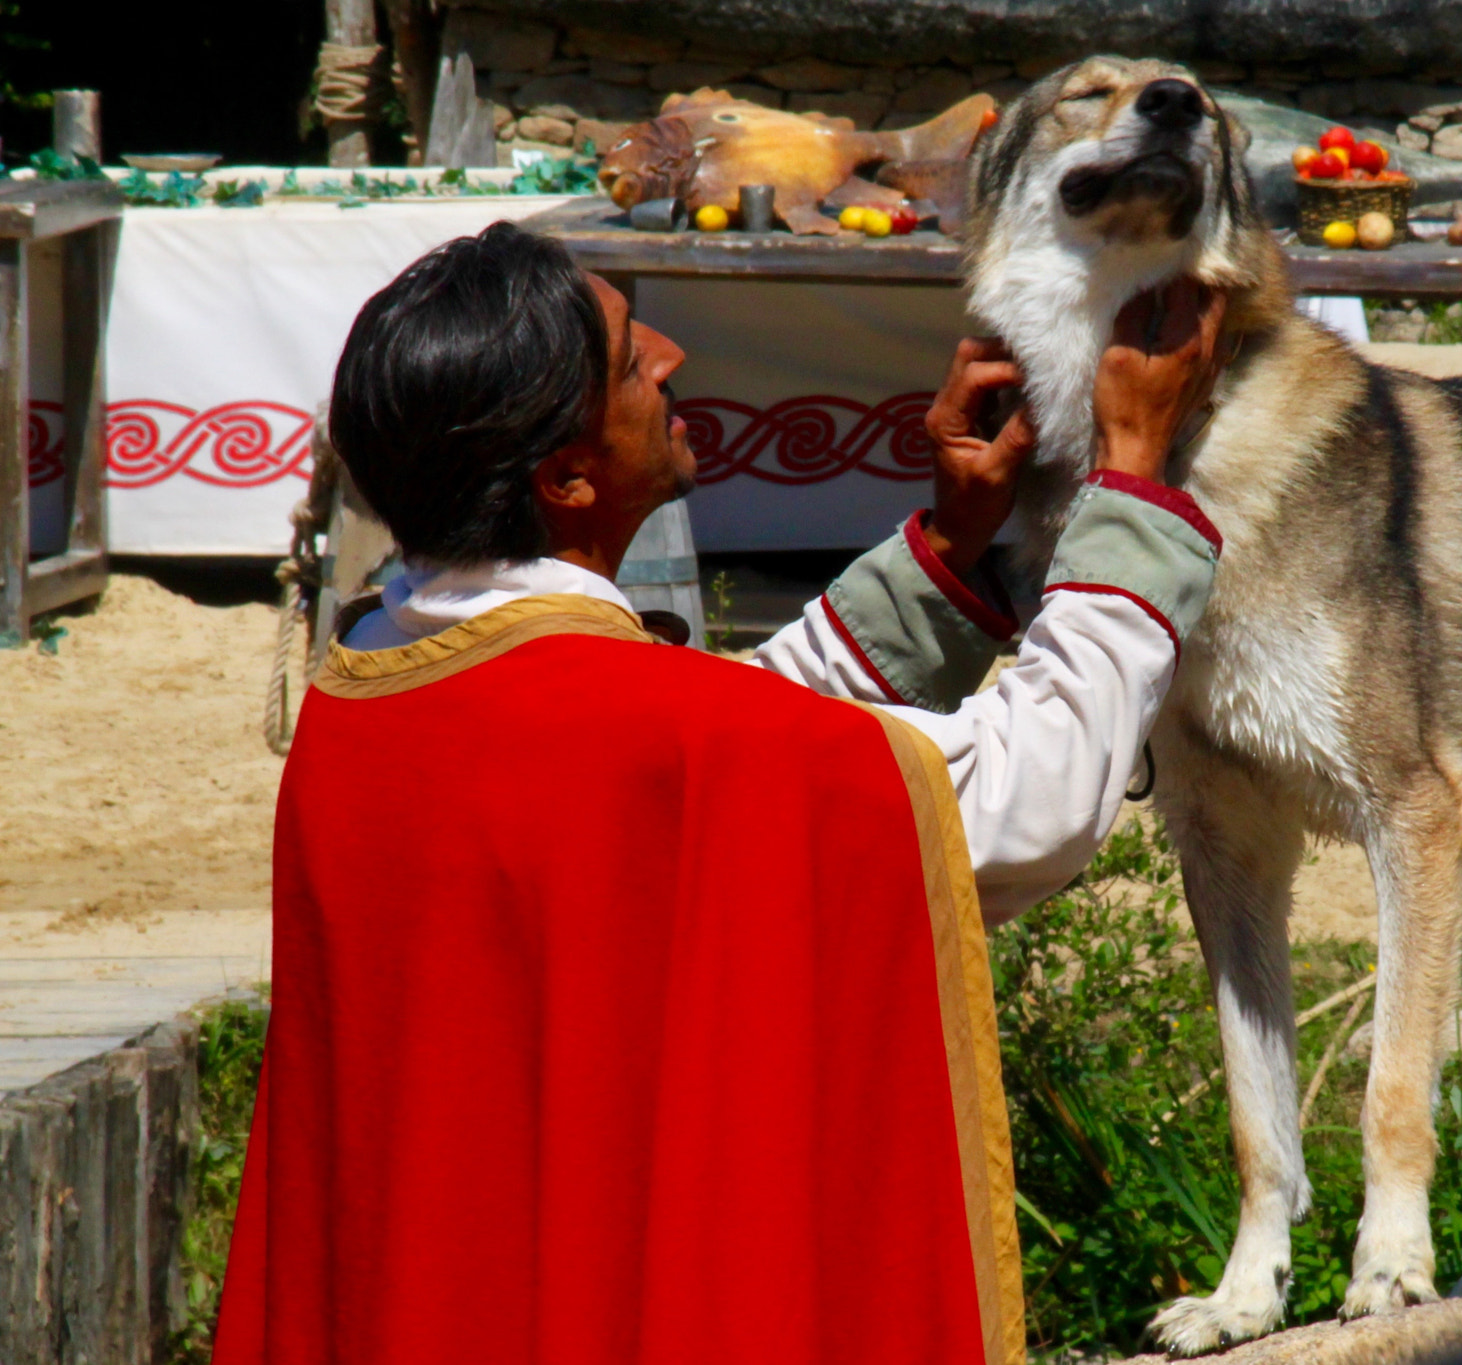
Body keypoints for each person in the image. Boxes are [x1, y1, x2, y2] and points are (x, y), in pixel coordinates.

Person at [211, 221, 1226, 1365]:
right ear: (566, 475)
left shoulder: (375, 686)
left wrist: (947, 545)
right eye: (627, 359)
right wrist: (1131, 480)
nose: (672, 355)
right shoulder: (633, 733)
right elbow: (1024, 798)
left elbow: (719, 747)